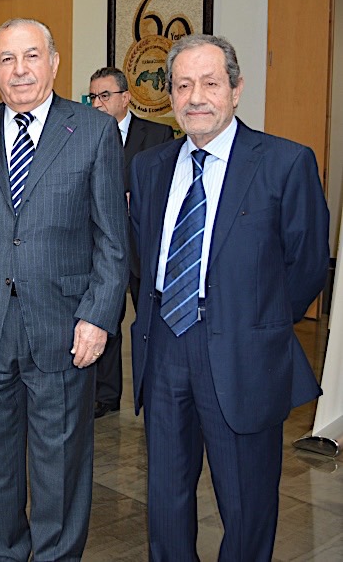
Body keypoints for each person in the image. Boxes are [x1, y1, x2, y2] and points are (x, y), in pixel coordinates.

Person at [129, 34, 329, 561]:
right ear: (170, 96)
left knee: (246, 504)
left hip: (245, 354)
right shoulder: (149, 168)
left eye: (210, 83)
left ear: (236, 90)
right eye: (183, 85)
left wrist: (257, 323)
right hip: (164, 346)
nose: (196, 97)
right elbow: (141, 255)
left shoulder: (285, 163)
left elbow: (308, 264)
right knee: (166, 498)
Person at [0, 18, 128, 561]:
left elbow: (112, 239)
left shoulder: (92, 131)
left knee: (60, 464)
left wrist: (98, 315)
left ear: (54, 62)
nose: (19, 70)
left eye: (31, 56)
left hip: (65, 325)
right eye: (6, 59)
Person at [89, 66, 174, 418]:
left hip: (142, 247)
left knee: (151, 325)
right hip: (101, 248)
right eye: (92, 97)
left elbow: (169, 188)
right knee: (105, 322)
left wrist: (135, 200)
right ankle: (105, 396)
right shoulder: (85, 134)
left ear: (125, 98)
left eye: (104, 95)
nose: (97, 103)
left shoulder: (157, 134)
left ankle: (157, 393)